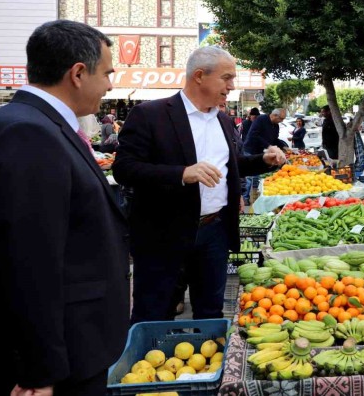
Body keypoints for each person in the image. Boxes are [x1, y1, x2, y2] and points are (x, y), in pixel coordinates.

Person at [0, 20, 129, 396]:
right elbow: (26, 261)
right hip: (57, 364)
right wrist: (38, 370)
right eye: (107, 72)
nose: (111, 84)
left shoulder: (41, 124)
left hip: (76, 347)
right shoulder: (26, 132)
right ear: (78, 73)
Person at [112, 46, 286, 323]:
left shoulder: (224, 121)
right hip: (164, 233)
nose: (232, 86)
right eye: (226, 78)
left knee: (210, 311)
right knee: (154, 313)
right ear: (199, 76)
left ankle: (210, 364)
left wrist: (263, 160)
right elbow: (124, 169)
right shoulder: (150, 114)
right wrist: (182, 173)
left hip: (214, 231)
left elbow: (231, 166)